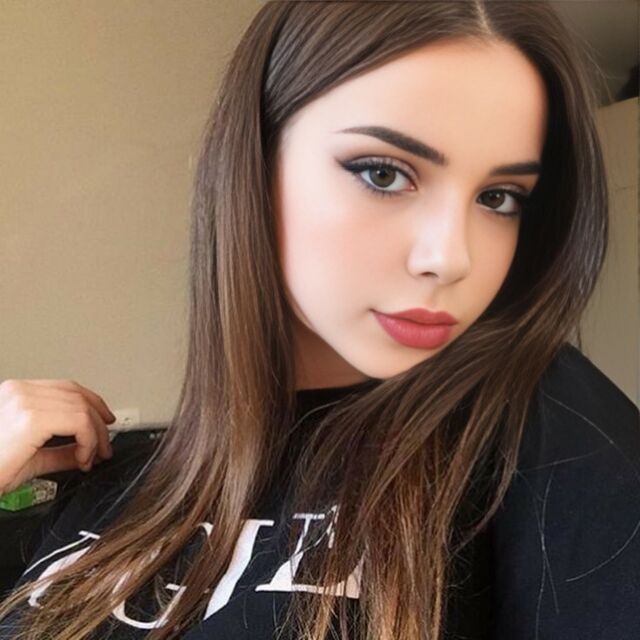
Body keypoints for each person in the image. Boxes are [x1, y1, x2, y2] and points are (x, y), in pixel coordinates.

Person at [0, 1, 638, 639]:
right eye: (384, 173)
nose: (450, 258)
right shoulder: (102, 472)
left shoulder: (534, 429)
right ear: (255, 162)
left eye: (498, 198)